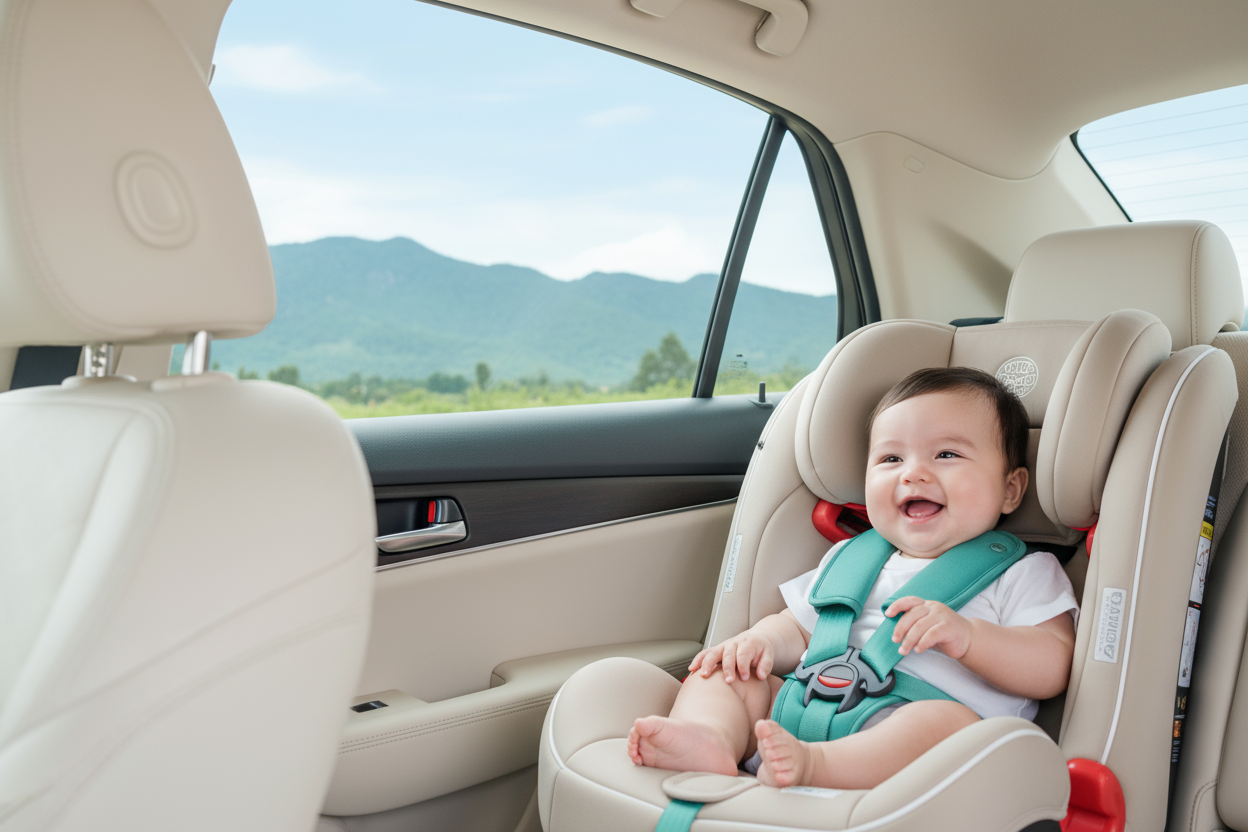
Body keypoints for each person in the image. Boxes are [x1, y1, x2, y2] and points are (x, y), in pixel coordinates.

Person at [627, 367, 1078, 790]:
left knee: (946, 724)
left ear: (1010, 489)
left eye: (946, 454)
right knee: (727, 675)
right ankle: (711, 740)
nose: (913, 472)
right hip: (806, 705)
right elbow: (799, 625)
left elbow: (1052, 665)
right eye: (890, 458)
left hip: (920, 733)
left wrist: (969, 637)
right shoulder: (850, 554)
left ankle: (815, 766)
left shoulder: (1022, 571)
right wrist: (760, 643)